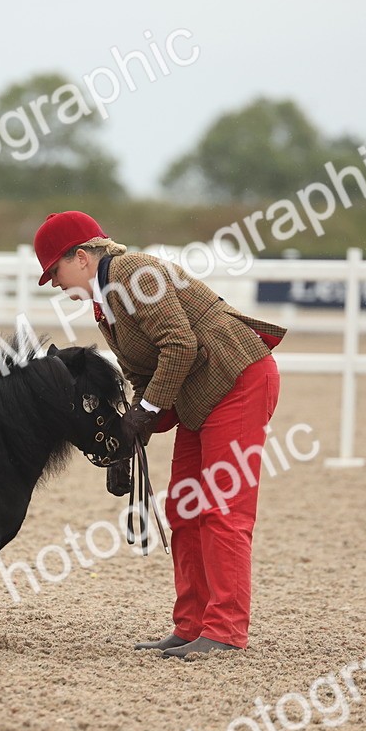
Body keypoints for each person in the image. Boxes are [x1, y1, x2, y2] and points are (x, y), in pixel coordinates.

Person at [33, 211, 285, 659]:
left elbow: (180, 344)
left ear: (82, 257)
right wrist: (125, 444)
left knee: (222, 508)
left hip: (237, 381)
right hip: (199, 393)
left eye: (55, 270)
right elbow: (140, 374)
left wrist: (144, 414)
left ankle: (225, 631)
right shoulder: (104, 303)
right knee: (184, 508)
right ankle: (192, 626)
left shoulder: (131, 273)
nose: (54, 282)